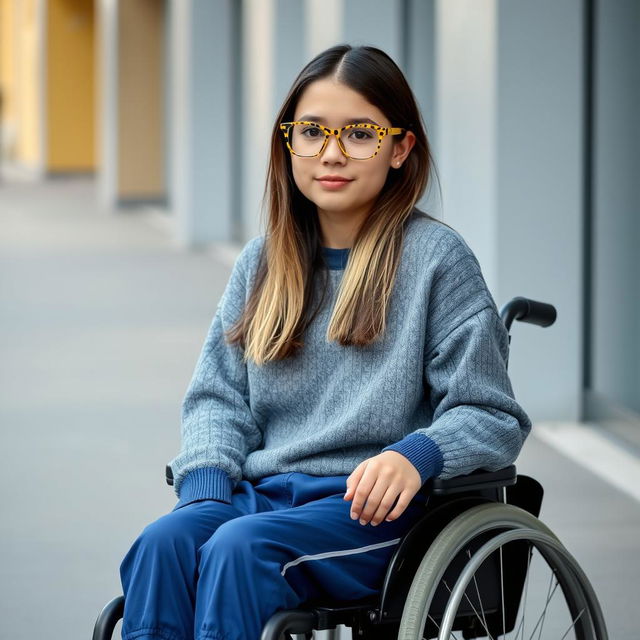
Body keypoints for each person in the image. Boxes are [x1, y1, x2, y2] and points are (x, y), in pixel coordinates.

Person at [118, 43, 532, 640]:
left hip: (375, 514)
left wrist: (413, 456)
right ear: (289, 144)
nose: (331, 154)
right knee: (165, 543)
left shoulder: (435, 260)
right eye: (311, 132)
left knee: (240, 549)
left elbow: (491, 413)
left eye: (360, 134)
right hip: (264, 498)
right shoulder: (263, 263)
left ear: (400, 148)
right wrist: (207, 485)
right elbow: (216, 398)